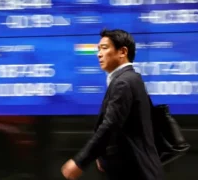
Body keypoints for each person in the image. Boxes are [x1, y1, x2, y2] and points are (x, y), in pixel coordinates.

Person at [61, 29, 164, 180]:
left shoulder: (123, 82)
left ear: (122, 52)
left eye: (104, 48)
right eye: (98, 49)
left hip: (136, 173)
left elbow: (110, 126)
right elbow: (126, 128)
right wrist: (102, 155)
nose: (99, 54)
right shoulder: (131, 79)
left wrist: (80, 162)